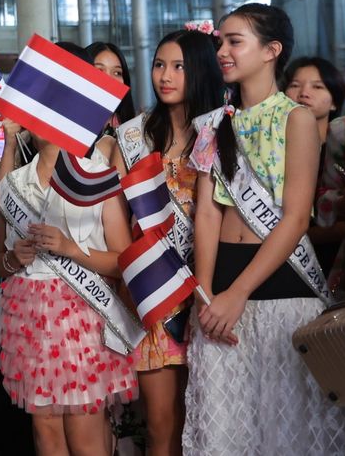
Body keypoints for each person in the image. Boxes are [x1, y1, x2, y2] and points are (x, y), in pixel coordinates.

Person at [184, 4, 345, 454]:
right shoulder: (212, 125)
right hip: (219, 286)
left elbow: (296, 218)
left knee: (288, 427)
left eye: (234, 41)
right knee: (227, 428)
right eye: (220, 42)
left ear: (271, 50)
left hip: (282, 282)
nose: (222, 51)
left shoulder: (295, 119)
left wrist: (238, 293)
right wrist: (205, 293)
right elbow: (207, 213)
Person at [0, 64, 137, 456]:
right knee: (46, 433)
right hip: (28, 317)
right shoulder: (12, 184)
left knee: (85, 431)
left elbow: (123, 261)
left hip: (81, 316)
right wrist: (15, 258)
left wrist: (70, 248)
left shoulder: (98, 177)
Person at [109, 29, 224, 456]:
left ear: (201, 71)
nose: (165, 76)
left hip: (209, 294)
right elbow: (116, 219)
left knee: (210, 421)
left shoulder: (220, 133)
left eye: (179, 66)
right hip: (155, 299)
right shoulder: (133, 138)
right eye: (159, 65)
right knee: (161, 425)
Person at [284, 56, 345, 273]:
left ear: (335, 101)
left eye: (317, 86)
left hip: (337, 265)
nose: (304, 93)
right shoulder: (275, 154)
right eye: (294, 85)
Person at [86, 41, 137, 136]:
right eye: (99, 70)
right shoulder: (66, 124)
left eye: (117, 73)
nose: (109, 79)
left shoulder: (134, 130)